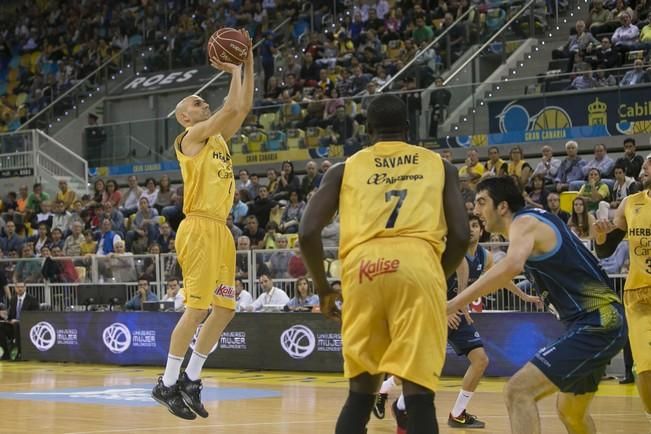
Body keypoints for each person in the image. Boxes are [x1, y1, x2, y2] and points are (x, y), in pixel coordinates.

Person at [299, 94, 470, 434]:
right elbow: (462, 235)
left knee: (361, 394)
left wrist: (323, 290)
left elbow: (307, 232)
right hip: (418, 264)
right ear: (408, 129)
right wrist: (436, 274)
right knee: (419, 396)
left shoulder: (343, 169)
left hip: (363, 270)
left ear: (368, 131)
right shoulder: (441, 166)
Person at [447, 176, 627, 434]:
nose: (475, 211)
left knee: (517, 391)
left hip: (598, 322)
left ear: (503, 207)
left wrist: (453, 303)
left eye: (481, 202)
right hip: (597, 322)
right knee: (571, 413)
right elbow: (505, 268)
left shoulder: (525, 222)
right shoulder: (534, 220)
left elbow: (510, 267)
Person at [151, 30, 254, 421]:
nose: (201, 102)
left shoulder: (218, 140)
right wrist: (233, 68)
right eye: (195, 102)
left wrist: (247, 59)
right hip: (196, 227)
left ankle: (191, 379)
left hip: (221, 229)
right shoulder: (190, 138)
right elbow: (229, 107)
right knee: (195, 310)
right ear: (184, 117)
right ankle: (167, 381)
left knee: (225, 309)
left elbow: (241, 107)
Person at [373, 215, 541, 429]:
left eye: (474, 226)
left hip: (456, 314)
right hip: (433, 311)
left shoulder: (485, 256)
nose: (470, 230)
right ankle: (394, 398)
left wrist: (524, 296)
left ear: (482, 231)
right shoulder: (448, 252)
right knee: (423, 364)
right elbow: (427, 283)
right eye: (466, 225)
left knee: (480, 361)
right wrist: (445, 309)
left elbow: (501, 279)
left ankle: (457, 413)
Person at [594, 156, 651, 423]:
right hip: (640, 296)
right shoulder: (631, 203)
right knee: (646, 369)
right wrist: (602, 235)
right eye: (644, 166)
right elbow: (606, 248)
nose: (644, 170)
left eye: (649, 165)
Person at [0, 282, 39, 360]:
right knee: (1, 326)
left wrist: (18, 321)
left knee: (16, 325)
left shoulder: (32, 299)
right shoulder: (13, 299)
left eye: (21, 287)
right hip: (13, 325)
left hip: (27, 326)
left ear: (25, 288)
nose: (20, 289)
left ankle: (19, 352)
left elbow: (35, 316)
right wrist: (5, 317)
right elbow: (10, 316)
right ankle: (6, 353)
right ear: (15, 288)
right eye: (17, 287)